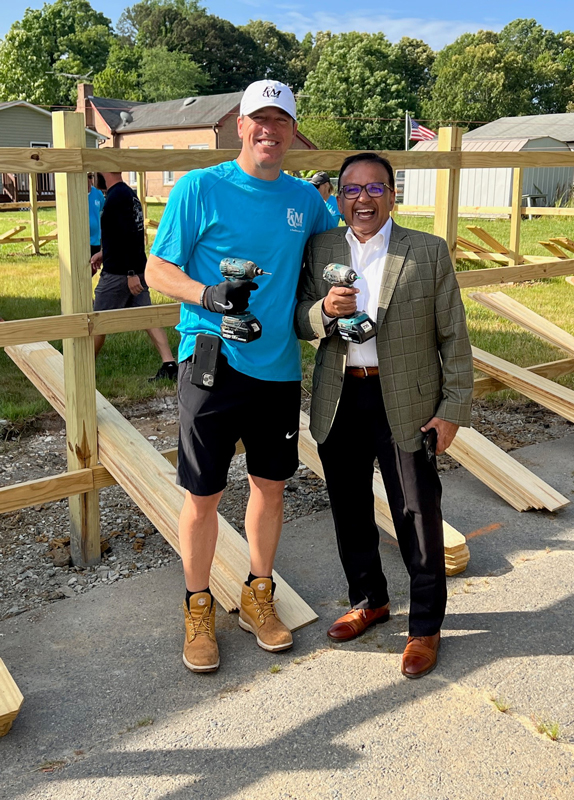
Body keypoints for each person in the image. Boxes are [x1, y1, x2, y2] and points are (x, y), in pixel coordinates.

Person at [145, 79, 336, 673]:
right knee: (203, 494)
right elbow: (156, 269)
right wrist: (210, 294)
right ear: (239, 123)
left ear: (292, 132)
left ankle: (259, 596)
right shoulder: (200, 188)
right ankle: (197, 607)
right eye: (259, 118)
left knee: (270, 487)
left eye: (280, 121)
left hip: (276, 368)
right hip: (211, 362)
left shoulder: (306, 201)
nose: (268, 130)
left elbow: (345, 248)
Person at [295, 152, 473, 679]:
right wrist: (325, 312)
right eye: (351, 190)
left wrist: (452, 410)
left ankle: (424, 627)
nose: (363, 199)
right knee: (349, 509)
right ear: (339, 197)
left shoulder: (427, 251)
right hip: (340, 397)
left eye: (375, 189)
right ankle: (369, 600)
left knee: (416, 515)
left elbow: (454, 338)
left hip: (409, 403)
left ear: (393, 195)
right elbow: (300, 323)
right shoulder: (321, 248)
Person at [91, 171, 178, 381]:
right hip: (136, 269)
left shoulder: (116, 197)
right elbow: (129, 234)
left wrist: (130, 273)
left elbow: (129, 236)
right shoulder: (128, 194)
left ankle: (81, 367)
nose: (94, 176)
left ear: (105, 171)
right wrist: (105, 252)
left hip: (121, 274)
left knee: (96, 320)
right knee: (148, 316)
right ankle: (170, 365)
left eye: (97, 171)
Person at [87, 173, 104, 264]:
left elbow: (102, 210)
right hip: (81, 241)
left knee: (93, 267)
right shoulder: (76, 195)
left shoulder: (98, 193)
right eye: (85, 177)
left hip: (95, 241)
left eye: (90, 177)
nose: (88, 180)